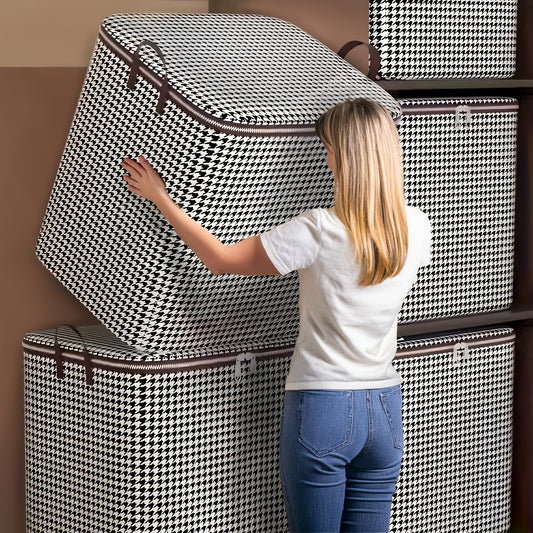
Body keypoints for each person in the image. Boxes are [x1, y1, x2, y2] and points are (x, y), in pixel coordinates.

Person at [121, 97, 431, 533]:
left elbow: (222, 260)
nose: (326, 156)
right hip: (384, 409)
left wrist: (163, 200)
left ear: (341, 156)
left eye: (328, 148)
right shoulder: (417, 227)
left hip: (323, 403)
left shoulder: (318, 229)